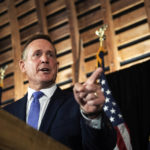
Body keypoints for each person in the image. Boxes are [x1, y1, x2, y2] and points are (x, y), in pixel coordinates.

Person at [3, 34, 116, 150]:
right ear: (23, 66)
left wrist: (92, 117)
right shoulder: (6, 114)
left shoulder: (79, 104)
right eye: (37, 54)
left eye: (50, 55)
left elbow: (102, 147)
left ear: (56, 66)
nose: (45, 59)